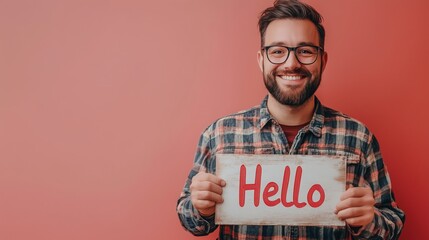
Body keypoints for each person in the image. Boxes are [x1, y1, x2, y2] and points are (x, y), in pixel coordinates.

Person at [176, 0, 405, 239]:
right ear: (261, 60)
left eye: (305, 51)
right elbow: (192, 222)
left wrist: (368, 220)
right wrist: (200, 207)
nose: (291, 63)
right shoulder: (219, 134)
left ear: (323, 61)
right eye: (277, 51)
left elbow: (392, 223)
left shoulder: (358, 137)